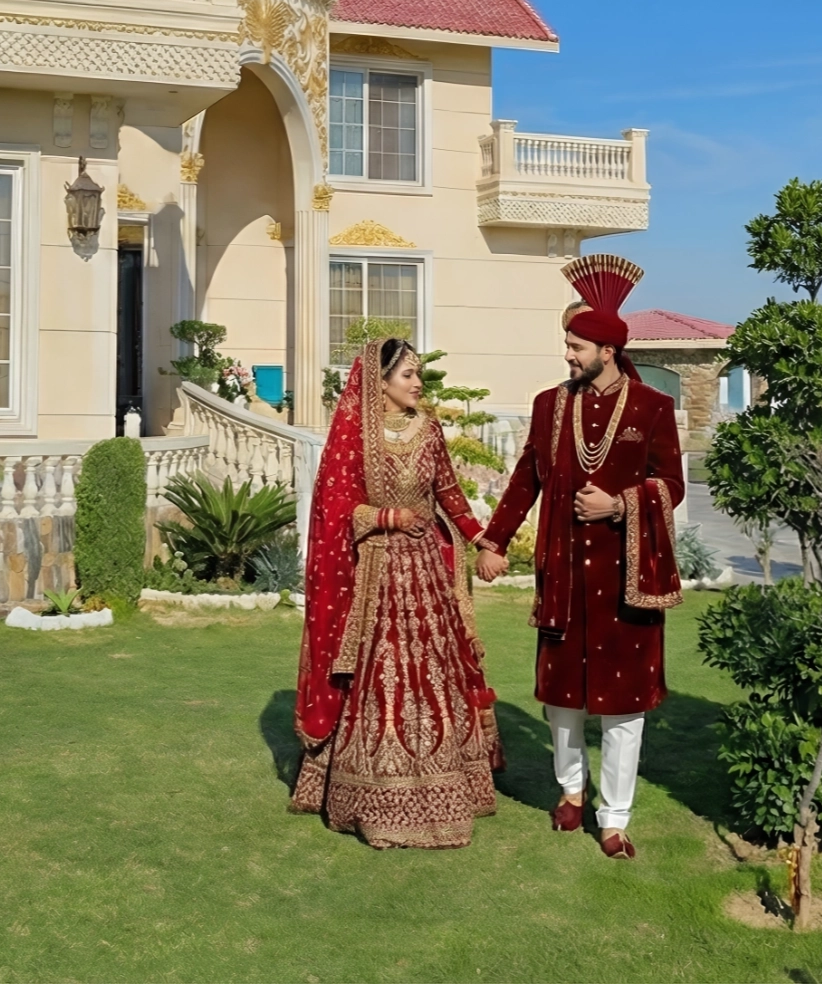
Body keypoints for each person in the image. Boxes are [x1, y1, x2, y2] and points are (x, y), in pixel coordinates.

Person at [476, 254, 684, 859]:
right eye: (566, 344)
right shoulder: (548, 405)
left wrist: (621, 505)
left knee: (623, 709)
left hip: (627, 580)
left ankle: (614, 818)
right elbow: (524, 480)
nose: (567, 355)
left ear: (607, 349)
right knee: (561, 700)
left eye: (576, 345)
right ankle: (570, 793)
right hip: (564, 573)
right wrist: (493, 540)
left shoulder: (650, 409)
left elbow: (672, 486)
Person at [292, 337, 504, 849]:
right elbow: (336, 511)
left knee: (435, 668)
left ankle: (449, 787)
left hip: (428, 573)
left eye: (418, 375)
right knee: (382, 674)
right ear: (379, 382)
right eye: (407, 375)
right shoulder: (355, 438)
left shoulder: (429, 430)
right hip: (377, 577)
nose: (417, 384)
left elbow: (450, 493)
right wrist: (387, 517)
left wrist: (482, 541)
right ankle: (374, 798)